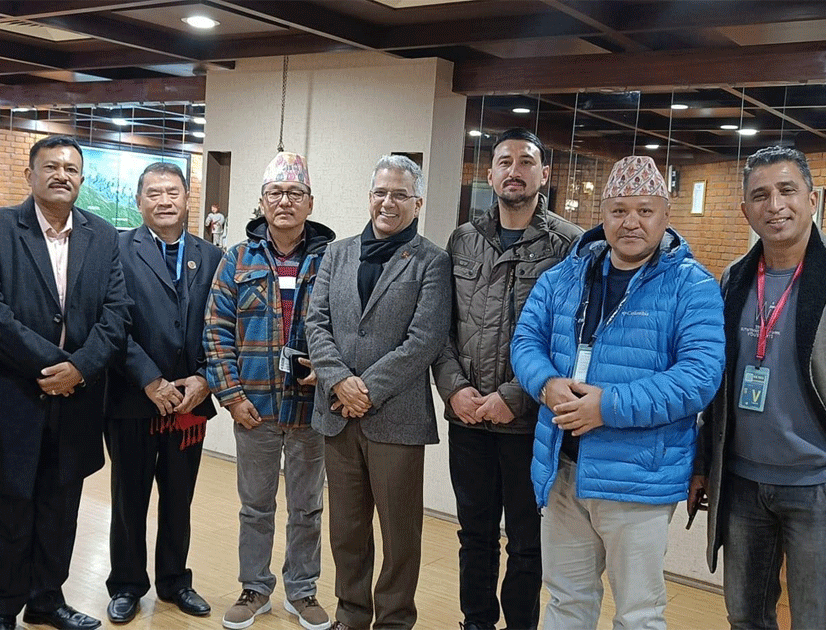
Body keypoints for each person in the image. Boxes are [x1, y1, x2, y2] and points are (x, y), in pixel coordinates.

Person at [691, 146, 826, 630]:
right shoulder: (733, 278)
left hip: (822, 488)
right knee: (744, 617)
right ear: (745, 210)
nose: (775, 205)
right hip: (742, 487)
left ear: (812, 199)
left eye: (787, 190)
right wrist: (704, 463)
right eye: (760, 195)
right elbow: (719, 384)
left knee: (816, 623)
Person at [510, 155, 724, 630]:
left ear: (665, 216)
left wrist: (606, 407)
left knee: (638, 614)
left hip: (638, 477)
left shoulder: (693, 287)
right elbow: (525, 341)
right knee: (566, 600)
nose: (631, 222)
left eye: (645, 211)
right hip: (563, 469)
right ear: (602, 215)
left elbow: (699, 377)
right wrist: (545, 383)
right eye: (619, 210)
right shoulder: (563, 277)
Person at [0, 135, 132, 630]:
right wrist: (55, 366)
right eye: (52, 166)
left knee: (62, 505)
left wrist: (80, 368)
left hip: (78, 396)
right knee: (12, 508)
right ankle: (3, 609)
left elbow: (117, 312)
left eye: (72, 168)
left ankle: (47, 601)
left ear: (81, 178)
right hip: (16, 394)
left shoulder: (103, 235)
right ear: (30, 175)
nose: (62, 175)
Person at [433, 128, 582, 630]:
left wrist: (515, 397)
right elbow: (441, 327)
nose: (514, 171)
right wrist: (454, 389)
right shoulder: (463, 239)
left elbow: (571, 342)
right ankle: (476, 621)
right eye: (504, 161)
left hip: (531, 425)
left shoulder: (570, 245)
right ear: (490, 172)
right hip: (468, 420)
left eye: (526, 161)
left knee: (527, 541)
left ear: (545, 174)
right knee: (474, 534)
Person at [305, 154, 452, 630]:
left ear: (418, 203)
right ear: (370, 197)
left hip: (396, 419)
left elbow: (425, 340)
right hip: (336, 413)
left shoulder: (432, 261)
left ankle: (393, 620)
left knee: (400, 535)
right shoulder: (337, 253)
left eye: (400, 195)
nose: (388, 203)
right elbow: (316, 322)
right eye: (381, 193)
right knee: (346, 530)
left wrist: (365, 390)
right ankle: (350, 614)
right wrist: (339, 380)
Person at [204, 152, 335, 630]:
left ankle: (302, 590)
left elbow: (347, 326)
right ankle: (255, 588)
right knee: (255, 507)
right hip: (253, 407)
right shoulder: (236, 258)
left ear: (310, 202)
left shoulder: (333, 258)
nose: (285, 201)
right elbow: (216, 330)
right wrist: (232, 396)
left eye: (295, 193)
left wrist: (330, 371)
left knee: (308, 508)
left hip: (312, 409)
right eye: (276, 193)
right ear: (262, 201)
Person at [104, 162, 222, 623]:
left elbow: (222, 324)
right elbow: (109, 321)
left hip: (190, 403)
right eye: (153, 193)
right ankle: (126, 584)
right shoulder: (116, 249)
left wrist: (205, 377)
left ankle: (175, 581)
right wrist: (149, 379)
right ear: (139, 202)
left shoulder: (211, 256)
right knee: (128, 499)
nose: (164, 200)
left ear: (188, 199)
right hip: (133, 398)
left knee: (179, 499)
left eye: (173, 192)